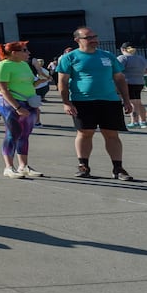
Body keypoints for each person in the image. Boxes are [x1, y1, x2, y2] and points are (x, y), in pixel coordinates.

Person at [55, 27, 133, 181]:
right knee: (85, 133)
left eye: (95, 36)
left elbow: (119, 79)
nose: (93, 40)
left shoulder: (108, 56)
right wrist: (66, 103)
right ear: (77, 40)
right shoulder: (69, 58)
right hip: (82, 101)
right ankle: (83, 166)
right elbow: (62, 82)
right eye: (88, 37)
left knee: (112, 134)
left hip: (109, 101)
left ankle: (118, 168)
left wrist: (126, 100)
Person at [0, 42, 43, 179]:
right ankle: (8, 167)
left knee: (25, 134)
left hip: (28, 101)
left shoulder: (24, 65)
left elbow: (30, 83)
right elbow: (2, 89)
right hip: (10, 102)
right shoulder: (2, 66)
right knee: (13, 133)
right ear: (14, 52)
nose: (28, 53)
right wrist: (17, 107)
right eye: (25, 50)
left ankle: (23, 166)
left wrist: (42, 80)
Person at [119, 44, 147, 128]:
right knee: (138, 102)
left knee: (132, 102)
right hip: (140, 81)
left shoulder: (123, 58)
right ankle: (143, 121)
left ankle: (134, 122)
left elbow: (117, 69)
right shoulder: (142, 59)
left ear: (123, 49)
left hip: (128, 82)